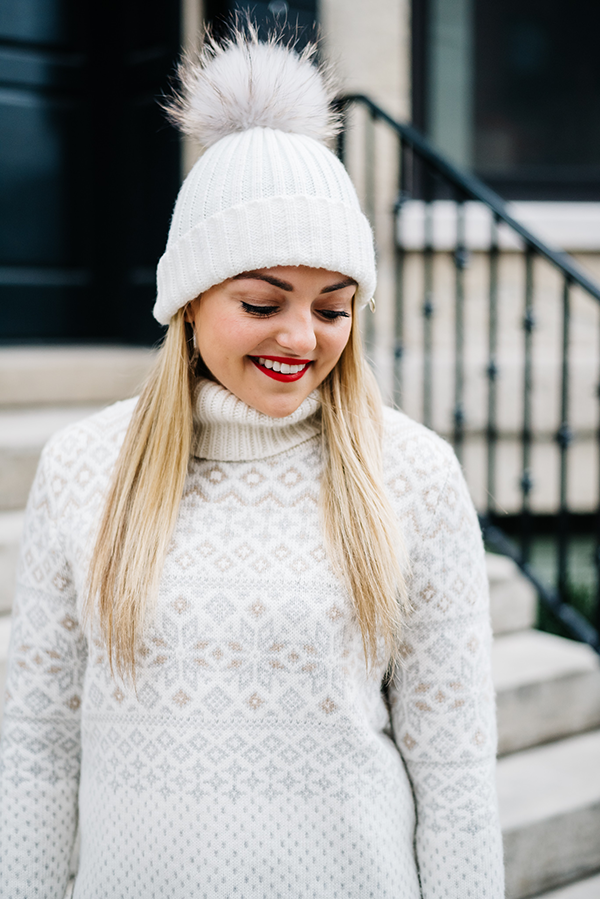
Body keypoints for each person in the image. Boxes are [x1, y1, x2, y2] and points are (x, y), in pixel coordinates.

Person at [0, 25, 504, 899]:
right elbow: (38, 747)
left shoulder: (414, 475)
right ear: (190, 302)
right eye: (263, 302)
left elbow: (456, 772)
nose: (301, 338)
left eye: (333, 308)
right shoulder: (83, 468)